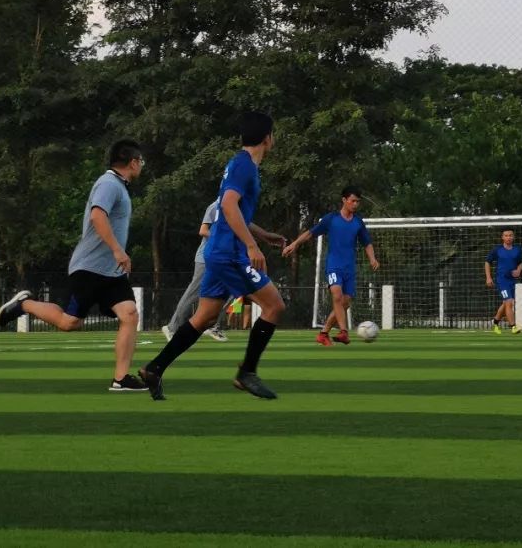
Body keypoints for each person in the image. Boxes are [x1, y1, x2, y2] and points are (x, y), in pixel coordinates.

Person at [139, 112, 285, 400]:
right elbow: (228, 206)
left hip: (218, 251)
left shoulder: (239, 163)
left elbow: (232, 210)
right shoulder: (245, 166)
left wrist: (262, 235)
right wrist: (251, 246)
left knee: (204, 317)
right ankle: (247, 373)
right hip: (230, 254)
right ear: (268, 138)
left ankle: (155, 368)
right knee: (274, 306)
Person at [0, 140, 147, 391]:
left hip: (112, 271)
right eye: (141, 161)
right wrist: (118, 250)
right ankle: (25, 304)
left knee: (129, 314)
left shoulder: (119, 186)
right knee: (70, 323)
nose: (141, 166)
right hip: (89, 268)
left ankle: (121, 379)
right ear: (132, 162)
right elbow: (97, 216)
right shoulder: (109, 183)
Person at [162, 202, 285, 343]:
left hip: (227, 259)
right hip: (207, 258)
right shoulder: (216, 206)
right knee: (194, 293)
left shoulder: (237, 208)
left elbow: (246, 224)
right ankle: (172, 327)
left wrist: (266, 236)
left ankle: (212, 325)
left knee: (235, 290)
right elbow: (203, 230)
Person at [283, 186, 380, 346]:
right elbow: (310, 233)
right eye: (353, 201)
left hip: (350, 268)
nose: (355, 204)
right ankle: (343, 332)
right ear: (344, 200)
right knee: (336, 295)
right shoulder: (331, 219)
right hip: (334, 266)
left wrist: (372, 258)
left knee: (345, 303)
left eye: (358, 202)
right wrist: (294, 244)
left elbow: (367, 243)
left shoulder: (358, 222)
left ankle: (323, 333)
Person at [484, 229, 522, 335]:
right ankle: (513, 326)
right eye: (506, 235)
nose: (508, 237)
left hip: (512, 280)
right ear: (502, 237)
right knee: (509, 302)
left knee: (506, 303)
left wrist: (518, 270)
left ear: (513, 237)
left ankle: (495, 322)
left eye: (510, 235)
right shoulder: (497, 250)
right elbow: (487, 262)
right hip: (501, 280)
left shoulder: (517, 250)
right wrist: (488, 277)